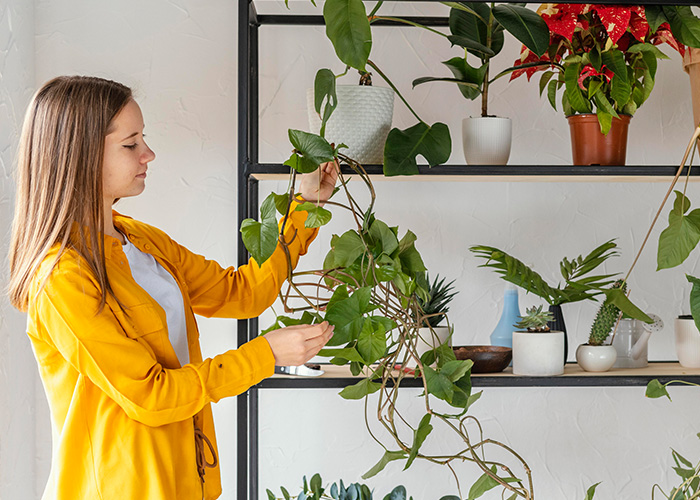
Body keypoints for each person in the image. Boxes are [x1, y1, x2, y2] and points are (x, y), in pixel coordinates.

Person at [7, 75, 338, 500]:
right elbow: (151, 395)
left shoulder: (141, 240)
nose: (148, 154)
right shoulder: (61, 278)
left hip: (185, 481)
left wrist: (306, 206)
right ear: (80, 156)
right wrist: (265, 355)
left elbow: (242, 293)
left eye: (143, 139)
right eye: (131, 144)